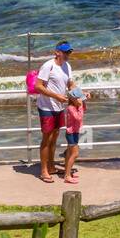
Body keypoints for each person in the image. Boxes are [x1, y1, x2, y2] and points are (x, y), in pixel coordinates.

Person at [33, 42, 75, 183]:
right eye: (65, 52)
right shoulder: (48, 66)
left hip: (59, 108)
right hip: (46, 107)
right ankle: (44, 170)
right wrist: (56, 96)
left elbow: (70, 84)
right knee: (47, 139)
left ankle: (51, 166)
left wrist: (81, 94)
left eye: (69, 52)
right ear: (57, 52)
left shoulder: (67, 66)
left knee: (55, 137)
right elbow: (38, 86)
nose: (68, 54)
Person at [62, 86, 87, 185]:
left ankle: (67, 173)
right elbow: (78, 118)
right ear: (74, 99)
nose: (81, 101)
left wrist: (83, 102)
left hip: (75, 132)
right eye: (80, 99)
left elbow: (84, 108)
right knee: (75, 154)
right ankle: (67, 176)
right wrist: (80, 106)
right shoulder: (71, 108)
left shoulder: (76, 106)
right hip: (71, 133)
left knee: (69, 153)